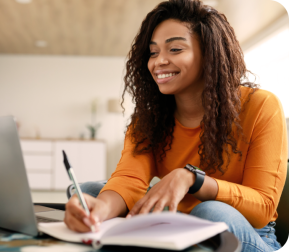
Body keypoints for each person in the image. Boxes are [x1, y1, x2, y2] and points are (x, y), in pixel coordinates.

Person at [64, 0, 287, 251]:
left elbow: (263, 209)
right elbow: (129, 178)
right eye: (153, 52)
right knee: (89, 192)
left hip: (246, 231)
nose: (159, 62)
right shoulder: (149, 119)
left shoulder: (261, 106)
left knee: (211, 211)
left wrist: (193, 179)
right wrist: (100, 209)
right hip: (176, 222)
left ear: (209, 53)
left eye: (175, 49)